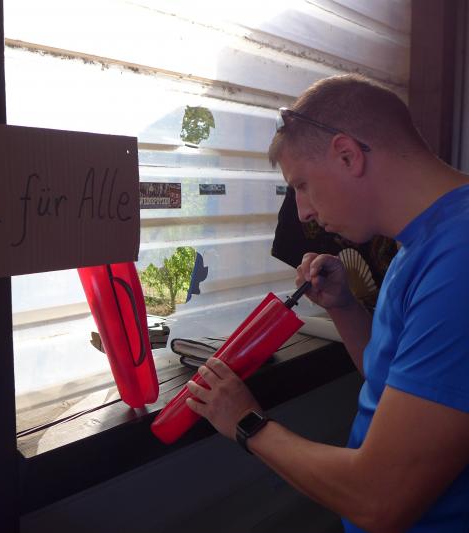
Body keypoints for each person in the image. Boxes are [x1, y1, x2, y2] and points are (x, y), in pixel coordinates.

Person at [185, 73, 469, 532]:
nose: (303, 213)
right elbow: (393, 380)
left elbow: (378, 499)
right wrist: (343, 307)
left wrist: (246, 422)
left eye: (301, 185)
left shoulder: (459, 258)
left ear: (347, 155)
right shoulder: (420, 242)